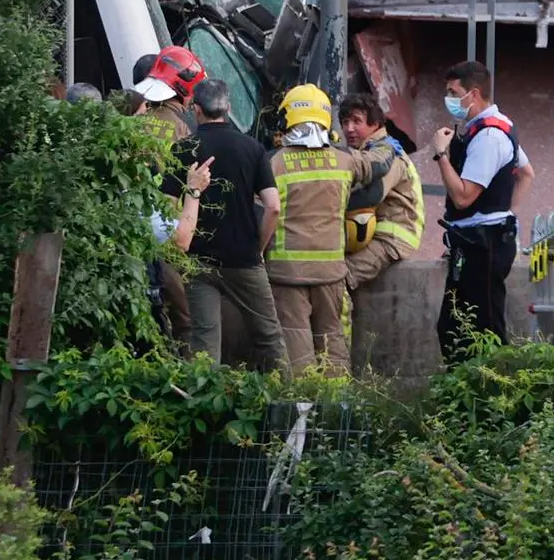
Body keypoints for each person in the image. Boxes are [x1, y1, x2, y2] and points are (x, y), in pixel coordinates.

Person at [267, 85, 395, 375]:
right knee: (332, 340)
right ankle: (335, 408)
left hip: (288, 275)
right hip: (331, 273)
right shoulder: (345, 159)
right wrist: (387, 144)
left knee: (295, 343)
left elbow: (263, 214)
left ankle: (300, 410)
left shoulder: (274, 164)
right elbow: (380, 163)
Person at [430, 60, 537, 361]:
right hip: (476, 241)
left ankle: (493, 399)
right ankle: (465, 400)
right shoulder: (491, 126)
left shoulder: (490, 136)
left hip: (484, 244)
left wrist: (440, 155)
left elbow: (463, 197)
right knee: (452, 328)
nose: (449, 99)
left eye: (454, 92)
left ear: (473, 94)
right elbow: (526, 172)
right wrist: (507, 214)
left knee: (483, 332)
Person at [182, 78, 287, 370]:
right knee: (268, 337)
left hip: (197, 261)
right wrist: (258, 249)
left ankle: (202, 406)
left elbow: (169, 208)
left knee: (204, 341)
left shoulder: (184, 148)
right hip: (244, 259)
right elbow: (273, 207)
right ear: (228, 107)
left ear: (196, 109)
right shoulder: (252, 148)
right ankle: (287, 405)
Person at [133, 45, 208, 347]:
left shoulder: (133, 122)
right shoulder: (184, 130)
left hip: (132, 229)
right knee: (185, 318)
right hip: (171, 233)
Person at [337, 94, 424, 293]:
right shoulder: (366, 152)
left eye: (357, 121)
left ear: (375, 124)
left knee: (340, 280)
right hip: (372, 233)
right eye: (345, 122)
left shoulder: (387, 152)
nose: (349, 129)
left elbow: (371, 196)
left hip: (391, 237)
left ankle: (342, 325)